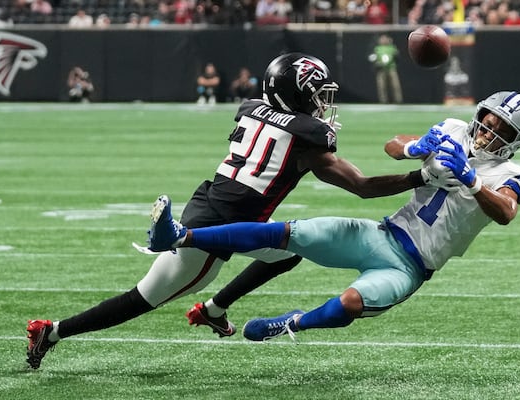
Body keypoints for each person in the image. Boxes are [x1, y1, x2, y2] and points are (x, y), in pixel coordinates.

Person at [25, 52, 429, 369]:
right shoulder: (308, 137)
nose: (323, 103)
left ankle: (215, 310)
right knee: (142, 299)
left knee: (290, 250)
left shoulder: (252, 108)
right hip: (217, 229)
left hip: (218, 207)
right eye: (317, 94)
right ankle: (53, 332)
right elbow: (360, 187)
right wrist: (419, 178)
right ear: (299, 94)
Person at [147, 90, 520, 342]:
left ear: (515, 140)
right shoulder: (454, 129)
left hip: (412, 267)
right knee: (284, 233)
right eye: (487, 119)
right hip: (381, 234)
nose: (487, 130)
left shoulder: (514, 176)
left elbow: (505, 211)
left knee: (349, 303)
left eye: (500, 129)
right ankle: (180, 236)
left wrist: (471, 182)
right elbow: (393, 145)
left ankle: (292, 323)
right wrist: (416, 146)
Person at [368, 34, 402, 104]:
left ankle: (398, 100)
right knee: (381, 86)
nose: (383, 40)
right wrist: (376, 62)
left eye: (385, 38)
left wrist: (395, 53)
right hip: (381, 69)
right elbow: (373, 57)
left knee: (395, 85)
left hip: (391, 68)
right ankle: (383, 101)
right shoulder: (377, 48)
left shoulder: (392, 47)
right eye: (382, 39)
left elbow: (397, 56)